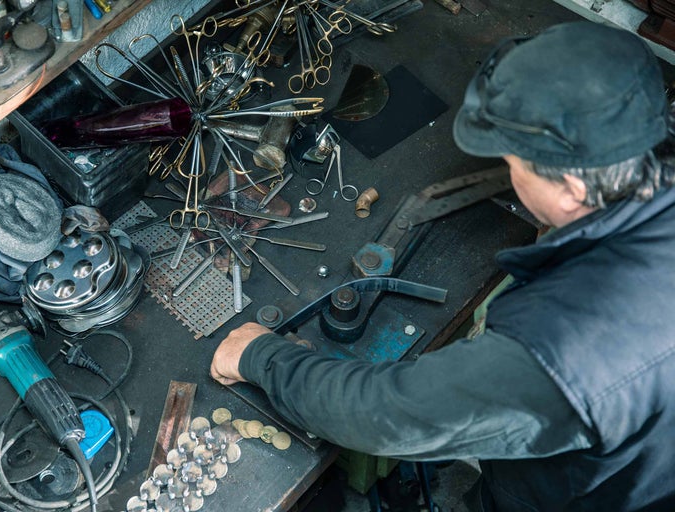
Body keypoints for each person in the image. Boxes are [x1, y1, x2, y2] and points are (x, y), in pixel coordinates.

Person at [210, 21, 675, 511]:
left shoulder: (569, 346)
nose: (509, 178)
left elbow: (388, 416)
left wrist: (261, 357)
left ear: (574, 189)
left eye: (513, 166)